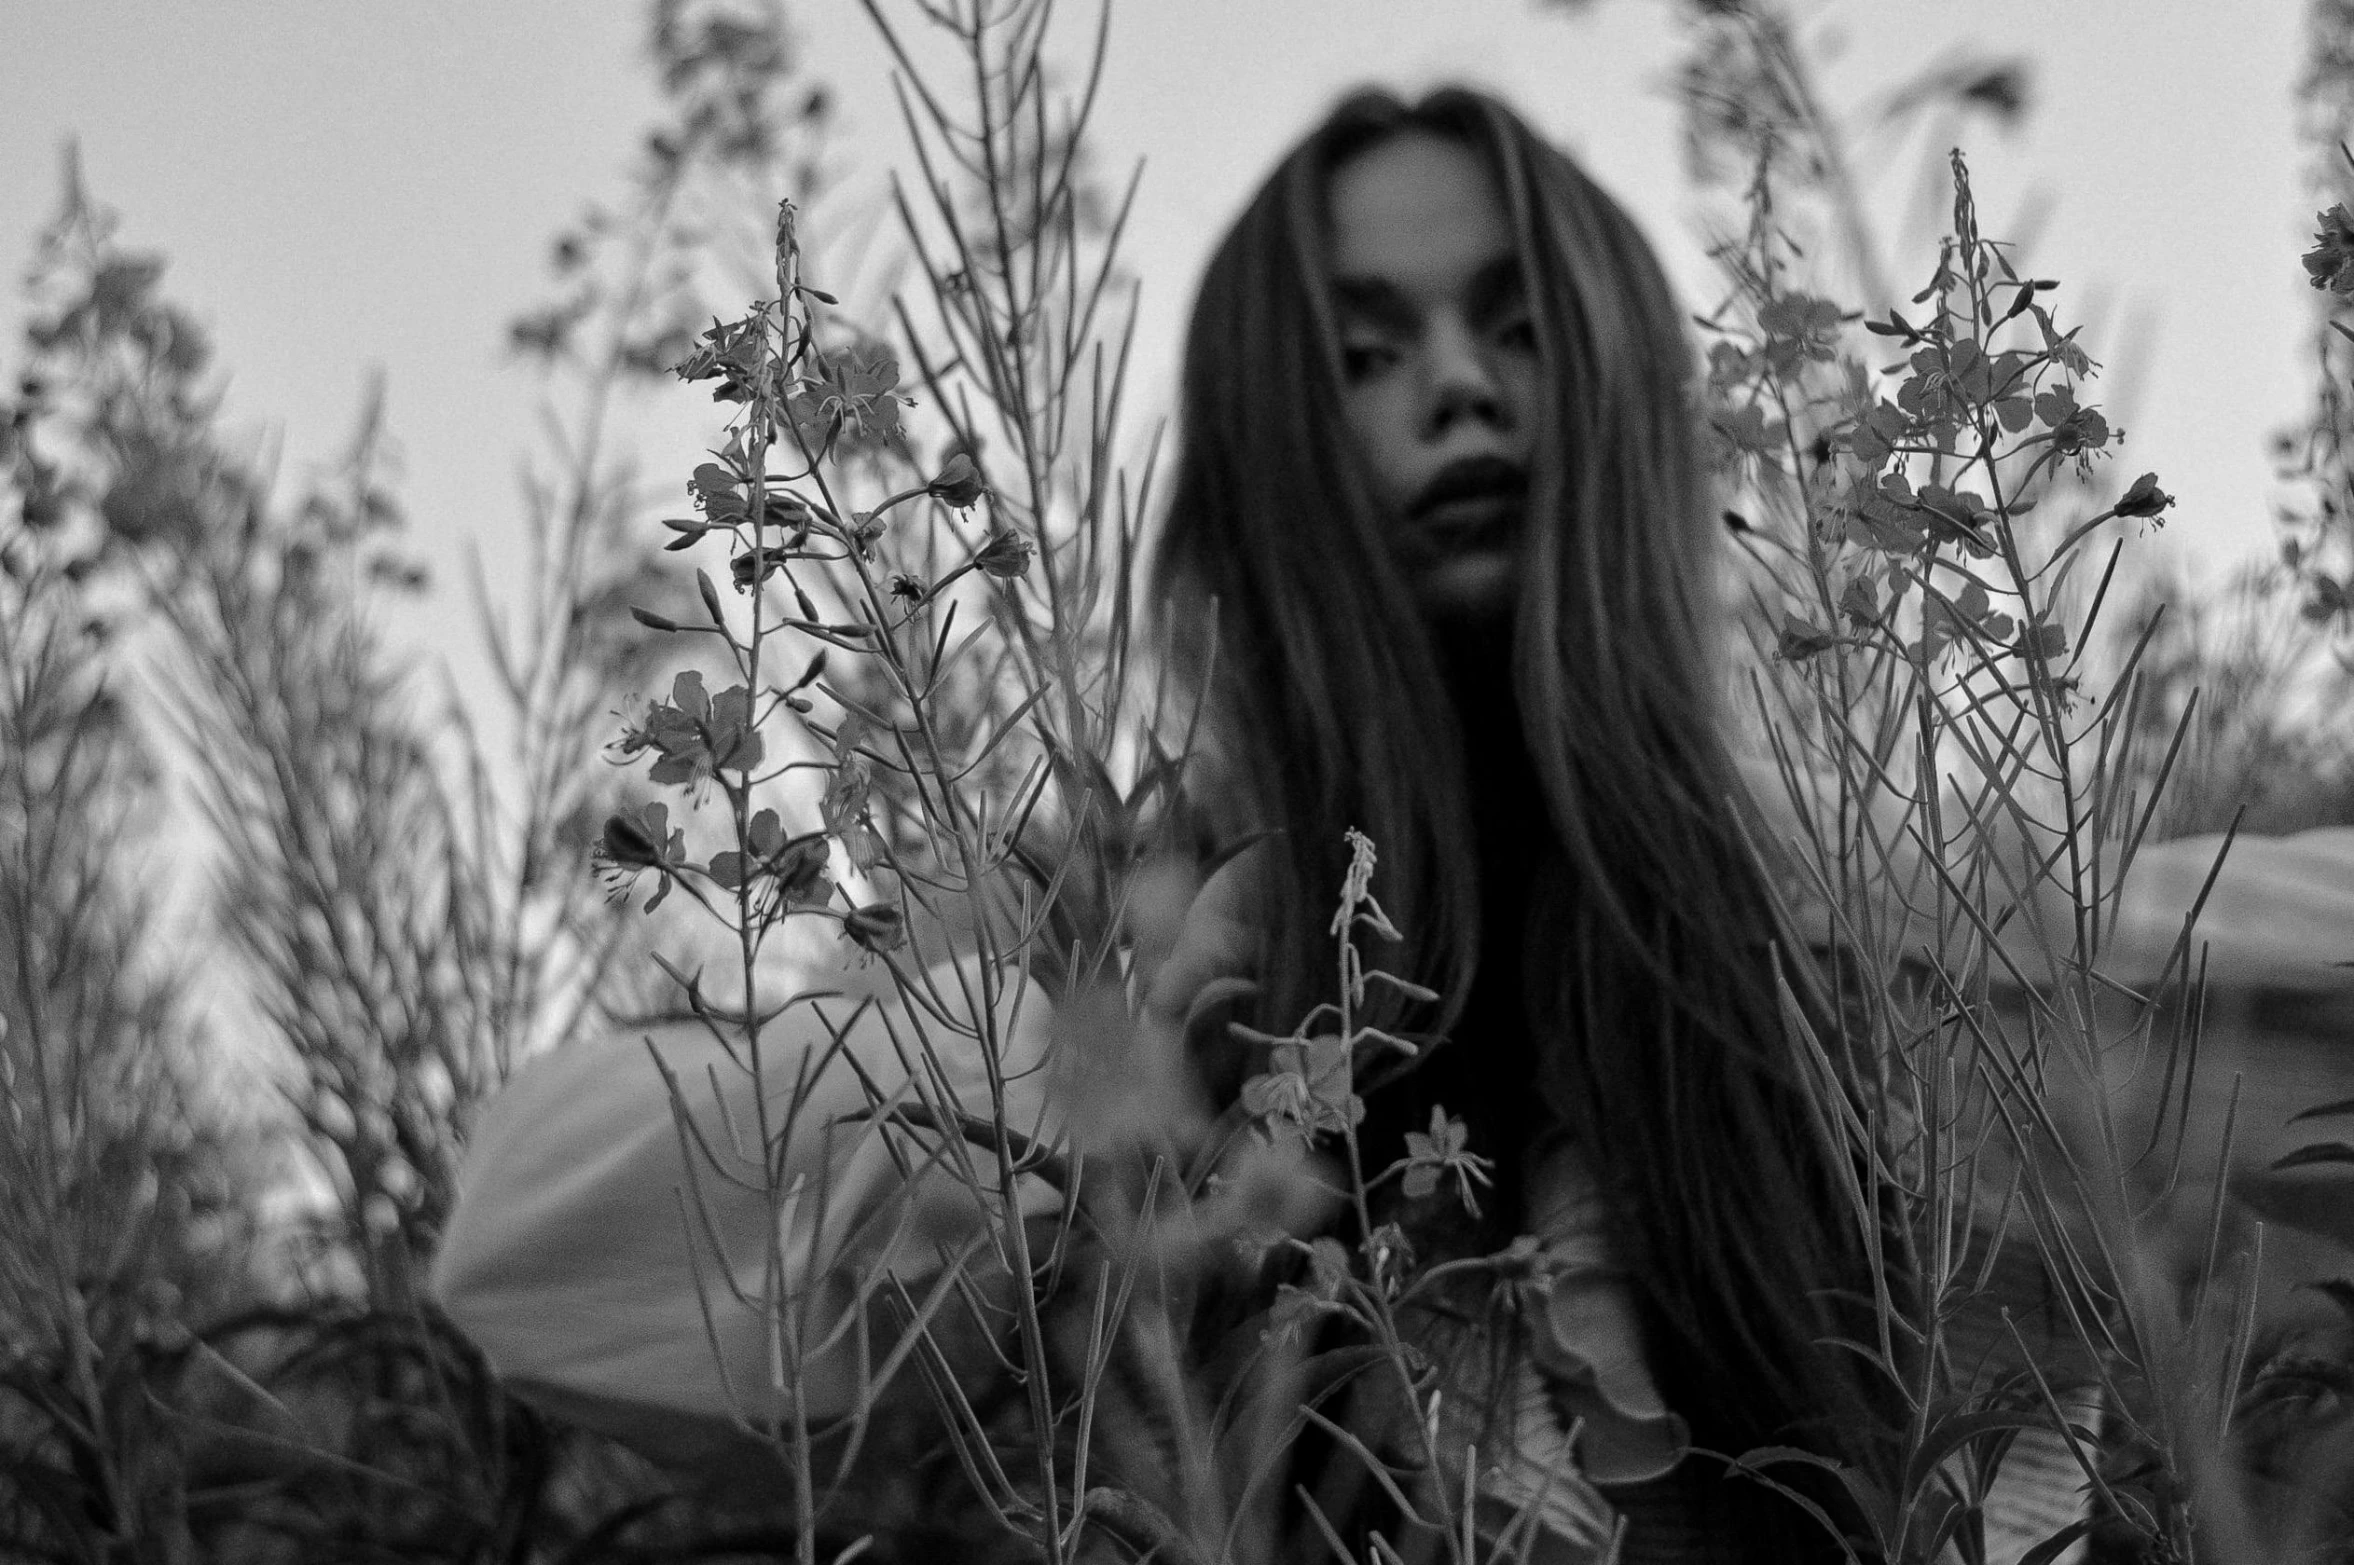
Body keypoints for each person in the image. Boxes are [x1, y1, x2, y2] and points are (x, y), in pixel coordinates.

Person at [435, 84, 1906, 1564]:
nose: (1458, 386)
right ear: (1251, 485)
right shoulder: (1131, 922)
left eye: (1522, 327)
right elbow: (514, 1238)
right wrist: (1093, 1082)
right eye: (1361, 354)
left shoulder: (1886, 970)